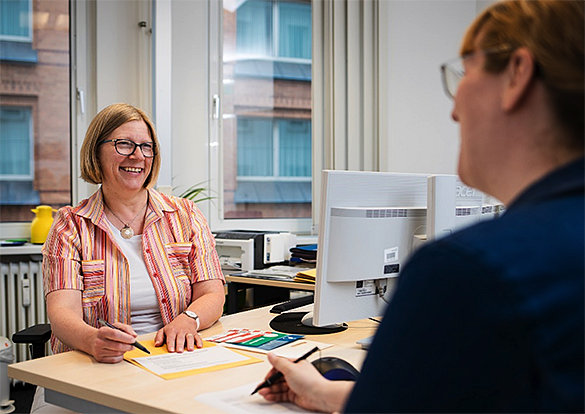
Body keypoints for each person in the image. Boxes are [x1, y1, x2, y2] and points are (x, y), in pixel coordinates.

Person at [258, 0, 585, 412]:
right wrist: (325, 392)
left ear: (518, 74)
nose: (453, 111)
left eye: (465, 73)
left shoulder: (468, 271)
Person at [32, 103, 225, 413]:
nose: (137, 155)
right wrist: (93, 340)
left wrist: (189, 319)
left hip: (170, 362)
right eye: (124, 144)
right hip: (87, 365)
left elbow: (212, 293)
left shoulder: (186, 216)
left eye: (146, 147)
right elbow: (62, 313)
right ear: (97, 153)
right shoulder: (70, 225)